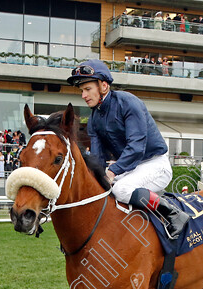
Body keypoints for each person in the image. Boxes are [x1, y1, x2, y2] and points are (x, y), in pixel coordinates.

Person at [67, 59, 189, 237]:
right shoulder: (94, 119)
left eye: (87, 89)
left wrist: (112, 172)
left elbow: (136, 147)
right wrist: (96, 177)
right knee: (102, 189)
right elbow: (97, 158)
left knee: (120, 189)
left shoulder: (128, 102)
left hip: (155, 164)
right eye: (82, 91)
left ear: (103, 86)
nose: (84, 95)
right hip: (131, 168)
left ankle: (173, 213)